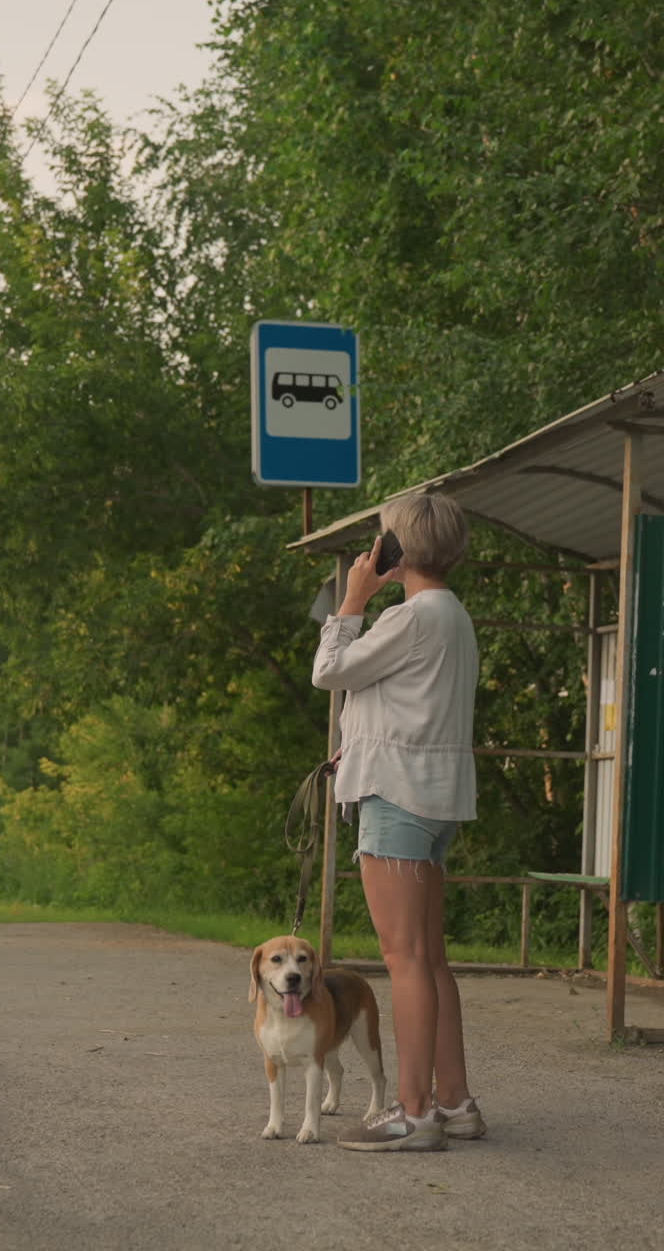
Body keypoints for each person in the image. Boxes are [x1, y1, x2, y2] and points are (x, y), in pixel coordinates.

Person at [311, 492, 485, 1152]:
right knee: (429, 958)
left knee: (404, 959)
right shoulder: (452, 616)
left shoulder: (410, 617)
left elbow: (328, 671)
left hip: (397, 800)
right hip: (434, 798)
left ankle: (413, 1115)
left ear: (396, 551)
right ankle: (454, 1101)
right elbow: (412, 705)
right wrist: (358, 742)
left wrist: (352, 598)